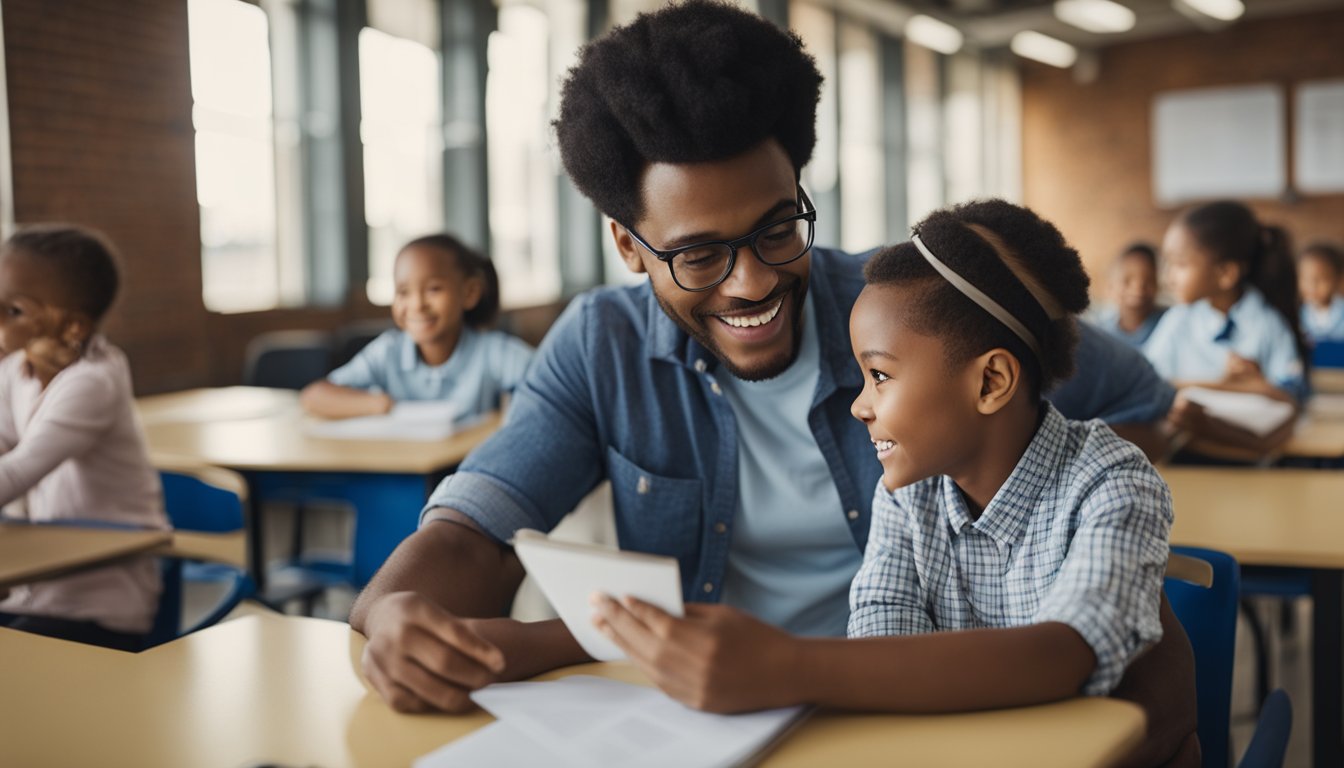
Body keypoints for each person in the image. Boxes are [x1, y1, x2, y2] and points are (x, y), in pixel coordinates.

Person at [349, 4, 1196, 764]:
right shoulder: (599, 345)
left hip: (913, 709)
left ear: (799, 192)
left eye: (776, 227)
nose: (752, 282)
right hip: (727, 721)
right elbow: (474, 532)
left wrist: (1080, 501)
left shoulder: (910, 312)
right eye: (699, 253)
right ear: (629, 245)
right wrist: (394, 613)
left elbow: (1132, 397)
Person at [593, 201, 1180, 757]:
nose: (859, 406)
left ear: (990, 382)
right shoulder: (908, 497)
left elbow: (1065, 654)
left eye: (878, 376)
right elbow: (882, 643)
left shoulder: (1112, 483)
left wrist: (789, 665)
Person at [0, 224, 167, 651]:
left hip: (100, 607)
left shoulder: (93, 381)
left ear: (72, 325)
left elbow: (17, 470)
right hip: (36, 587)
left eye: (13, 310)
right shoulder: (14, 370)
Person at [300, 233, 533, 420]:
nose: (417, 305)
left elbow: (550, 385)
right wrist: (378, 404)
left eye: (433, 289)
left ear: (469, 293)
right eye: (403, 292)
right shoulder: (387, 352)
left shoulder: (492, 351)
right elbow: (314, 397)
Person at [1143, 201, 1308, 405]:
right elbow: (1146, 382)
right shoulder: (1179, 319)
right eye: (1167, 262)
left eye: (1180, 264)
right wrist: (1238, 387)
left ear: (1225, 274)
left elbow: (1290, 396)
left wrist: (1256, 382)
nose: (1168, 277)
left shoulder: (1267, 324)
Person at [1096, 243, 1166, 347]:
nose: (1138, 288)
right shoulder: (1102, 333)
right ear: (1110, 286)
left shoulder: (1168, 323)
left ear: (1158, 285)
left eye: (1148, 280)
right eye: (1127, 281)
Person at [1298, 241, 1344, 345]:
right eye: (1305, 279)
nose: (1312, 286)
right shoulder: (1300, 315)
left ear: (1338, 279)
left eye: (1321, 279)